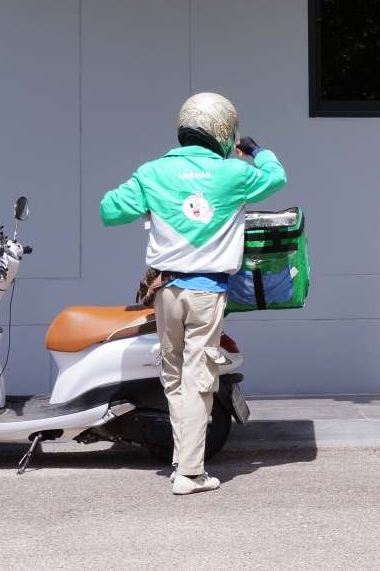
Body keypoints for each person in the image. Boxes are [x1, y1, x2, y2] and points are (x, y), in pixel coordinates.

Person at [100, 92, 287, 495]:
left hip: (165, 291)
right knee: (200, 379)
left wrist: (153, 203)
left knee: (173, 376)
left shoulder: (152, 172)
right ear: (224, 132)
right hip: (207, 292)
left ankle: (180, 461)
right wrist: (257, 151)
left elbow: (109, 210)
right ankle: (190, 473)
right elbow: (277, 177)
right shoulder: (234, 173)